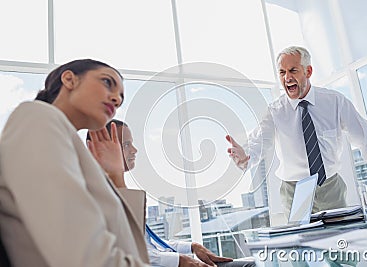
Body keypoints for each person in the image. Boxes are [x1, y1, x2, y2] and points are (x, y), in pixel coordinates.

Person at [0, 59, 150, 267]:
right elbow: (84, 256)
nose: (116, 99)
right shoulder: (37, 117)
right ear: (70, 79)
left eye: (121, 99)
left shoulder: (71, 150)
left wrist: (115, 175)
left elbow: (123, 241)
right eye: (107, 82)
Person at [226, 46, 367, 216]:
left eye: (293, 70)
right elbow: (260, 141)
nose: (287, 77)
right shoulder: (275, 111)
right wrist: (245, 156)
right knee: (304, 242)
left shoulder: (335, 102)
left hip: (330, 187)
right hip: (294, 191)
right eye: (282, 72)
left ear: (308, 71)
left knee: (340, 239)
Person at [88, 119, 256, 267]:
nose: (134, 150)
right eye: (125, 145)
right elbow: (131, 254)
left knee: (254, 264)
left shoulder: (116, 191)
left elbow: (148, 245)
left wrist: (191, 247)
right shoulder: (93, 197)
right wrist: (179, 260)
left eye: (131, 143)